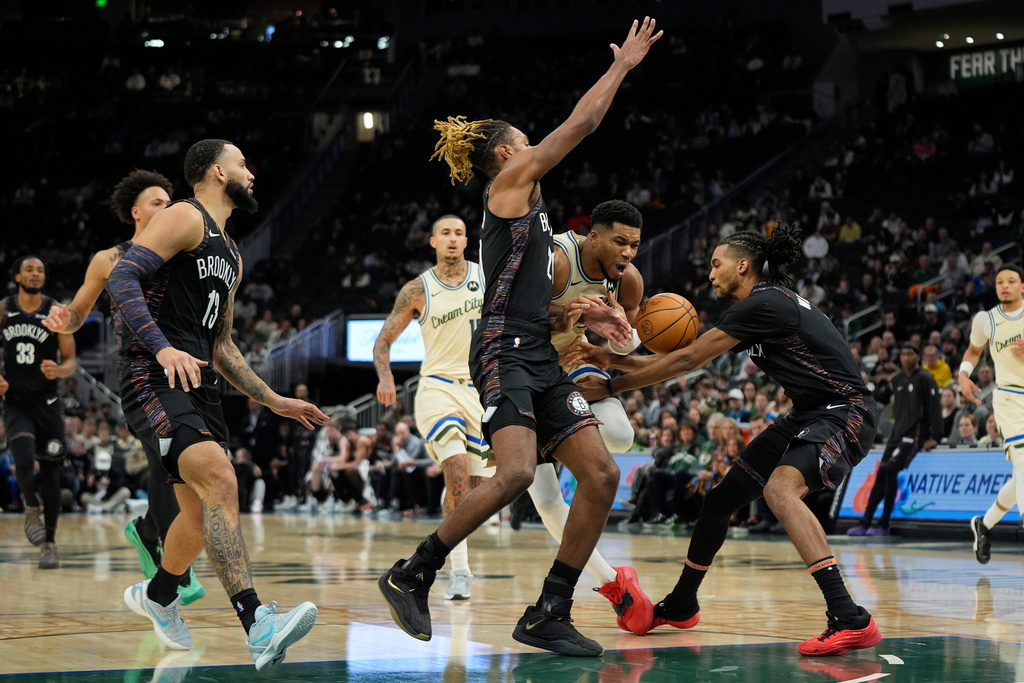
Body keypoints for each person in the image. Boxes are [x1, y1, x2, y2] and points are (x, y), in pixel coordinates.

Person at [378, 17, 662, 657]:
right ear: (507, 153)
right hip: (502, 348)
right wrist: (621, 67)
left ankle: (549, 611)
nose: (537, 147)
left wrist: (581, 318)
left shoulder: (530, 214)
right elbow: (581, 125)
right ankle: (412, 571)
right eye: (528, 142)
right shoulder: (508, 188)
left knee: (601, 473)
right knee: (510, 476)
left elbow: (537, 303)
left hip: (537, 346)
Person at [574, 224, 883, 656]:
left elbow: (687, 358)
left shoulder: (766, 302)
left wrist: (611, 385)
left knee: (780, 490)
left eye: (716, 265)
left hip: (846, 411)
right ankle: (682, 604)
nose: (710, 275)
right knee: (721, 500)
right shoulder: (763, 305)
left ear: (743, 265)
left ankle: (850, 616)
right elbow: (687, 356)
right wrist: (614, 359)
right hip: (809, 414)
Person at [106, 139, 325, 669]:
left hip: (200, 385)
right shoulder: (184, 216)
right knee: (223, 481)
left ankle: (158, 595)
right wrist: (162, 347)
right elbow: (121, 277)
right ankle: (257, 625)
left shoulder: (231, 253)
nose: (252, 172)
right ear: (215, 171)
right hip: (152, 376)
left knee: (200, 516)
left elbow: (222, 343)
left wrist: (272, 398)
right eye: (243, 163)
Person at [42, 169, 205, 603]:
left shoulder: (181, 253)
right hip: (138, 370)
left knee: (166, 465)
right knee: (167, 463)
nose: (167, 208)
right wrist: (65, 319)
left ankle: (149, 533)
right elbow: (79, 312)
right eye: (157, 202)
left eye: (171, 202)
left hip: (183, 365)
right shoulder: (110, 259)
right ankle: (169, 562)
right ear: (135, 211)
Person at [374, 214, 494, 600]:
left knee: (474, 491)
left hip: (478, 391)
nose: (454, 239)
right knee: (456, 469)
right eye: (446, 233)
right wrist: (386, 376)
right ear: (433, 242)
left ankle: (453, 544)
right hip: (437, 388)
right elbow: (382, 342)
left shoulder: (486, 277)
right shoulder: (417, 289)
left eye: (460, 233)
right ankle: (459, 570)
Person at [0, 256, 76, 568]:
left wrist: (59, 370)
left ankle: (50, 543)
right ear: (18, 275)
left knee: (51, 475)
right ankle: (31, 507)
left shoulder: (56, 311)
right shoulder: (4, 308)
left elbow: (71, 361)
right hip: (16, 401)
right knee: (22, 460)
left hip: (47, 404)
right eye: (30, 269)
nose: (36, 274)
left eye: (41, 270)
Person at [962, 265, 1024, 565]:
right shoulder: (986, 319)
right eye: (1000, 282)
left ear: (1022, 286)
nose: (1005, 286)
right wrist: (963, 375)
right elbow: (974, 351)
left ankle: (984, 525)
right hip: (1010, 397)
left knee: (1020, 477)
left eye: (1012, 281)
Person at [847, 343, 941, 537]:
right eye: (903, 354)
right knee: (881, 474)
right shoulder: (897, 379)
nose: (906, 358)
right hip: (896, 435)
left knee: (889, 469)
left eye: (910, 354)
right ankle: (865, 523)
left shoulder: (925, 378)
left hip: (914, 435)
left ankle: (884, 524)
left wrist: (935, 436)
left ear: (918, 357)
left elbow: (935, 408)